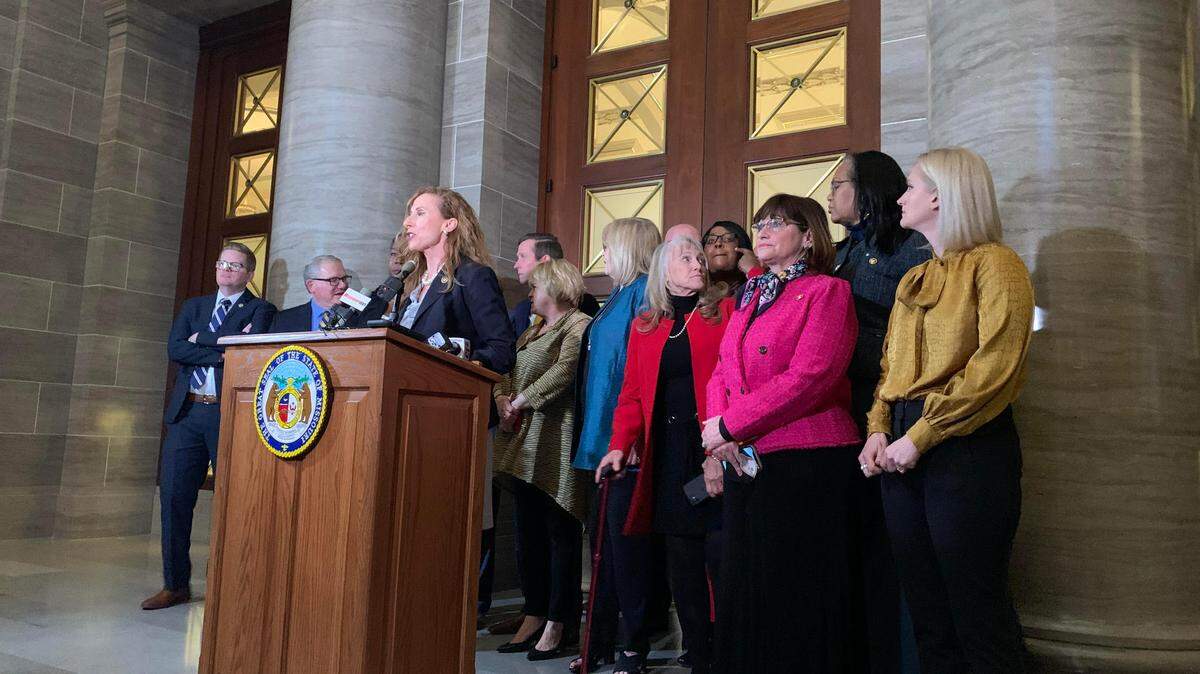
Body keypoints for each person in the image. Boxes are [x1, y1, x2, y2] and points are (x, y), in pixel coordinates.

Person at [859, 148, 1033, 673]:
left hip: (967, 444)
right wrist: (877, 430)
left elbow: (996, 367)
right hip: (903, 443)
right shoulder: (914, 277)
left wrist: (923, 435)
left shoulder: (997, 264)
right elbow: (890, 371)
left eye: (909, 186)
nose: (900, 197)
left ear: (940, 196)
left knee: (975, 608)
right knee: (927, 610)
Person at [700, 194, 860, 672]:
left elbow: (812, 377)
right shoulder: (752, 293)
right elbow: (722, 371)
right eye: (760, 222)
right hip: (748, 459)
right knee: (746, 585)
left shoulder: (828, 292)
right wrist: (718, 430)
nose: (763, 230)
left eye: (778, 222)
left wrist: (731, 424)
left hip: (807, 460)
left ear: (808, 236)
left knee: (794, 590)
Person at [596, 236, 732, 674]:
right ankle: (688, 649)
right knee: (681, 559)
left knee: (715, 553)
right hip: (667, 452)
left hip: (713, 445)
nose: (698, 263)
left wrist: (719, 446)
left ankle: (715, 648)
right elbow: (632, 395)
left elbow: (734, 381)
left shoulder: (724, 311)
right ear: (662, 270)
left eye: (699, 257)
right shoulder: (647, 325)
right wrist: (619, 444)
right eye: (686, 257)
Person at [393, 186, 517, 625]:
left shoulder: (473, 276)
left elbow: (501, 351)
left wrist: (453, 349)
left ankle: (453, 614)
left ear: (449, 223)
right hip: (405, 421)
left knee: (454, 525)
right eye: (409, 213)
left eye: (419, 212)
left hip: (453, 422)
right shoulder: (407, 286)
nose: (408, 221)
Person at [828, 151, 930, 673]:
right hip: (844, 416)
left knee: (897, 551)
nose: (829, 193)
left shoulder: (910, 248)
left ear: (866, 190)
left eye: (838, 183)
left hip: (893, 415)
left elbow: (916, 340)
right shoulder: (841, 253)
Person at [142, 243, 276, 610]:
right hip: (186, 414)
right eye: (222, 264)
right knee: (173, 498)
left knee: (233, 500)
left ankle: (229, 583)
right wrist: (220, 348)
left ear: (249, 274)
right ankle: (175, 584)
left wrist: (200, 340)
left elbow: (247, 351)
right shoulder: (194, 307)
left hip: (227, 413)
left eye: (236, 266)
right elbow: (175, 349)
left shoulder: (261, 309)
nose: (227, 270)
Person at [568, 217, 661, 674]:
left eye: (609, 246)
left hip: (625, 440)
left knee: (627, 552)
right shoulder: (615, 298)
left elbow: (642, 373)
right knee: (603, 545)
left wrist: (632, 438)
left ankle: (633, 644)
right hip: (601, 435)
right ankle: (599, 642)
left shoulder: (645, 293)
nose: (603, 255)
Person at [492, 259, 592, 661]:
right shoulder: (533, 329)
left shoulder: (578, 324)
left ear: (554, 287)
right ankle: (533, 613)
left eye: (535, 287)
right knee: (528, 533)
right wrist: (502, 398)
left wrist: (519, 401)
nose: (529, 294)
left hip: (556, 439)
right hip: (522, 441)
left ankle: (560, 620)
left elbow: (565, 371)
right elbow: (506, 370)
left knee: (559, 532)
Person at [510, 233, 600, 336]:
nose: (516, 265)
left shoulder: (582, 303)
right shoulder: (522, 309)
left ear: (545, 261)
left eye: (523, 257)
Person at [269, 254, 382, 332]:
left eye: (344, 278)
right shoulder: (283, 320)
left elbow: (379, 303)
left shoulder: (360, 312)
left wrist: (354, 299)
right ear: (311, 285)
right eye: (334, 280)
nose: (342, 285)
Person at [701, 220, 760, 292]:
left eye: (728, 239)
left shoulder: (766, 285)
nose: (718, 243)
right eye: (711, 241)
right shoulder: (694, 295)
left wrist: (754, 272)